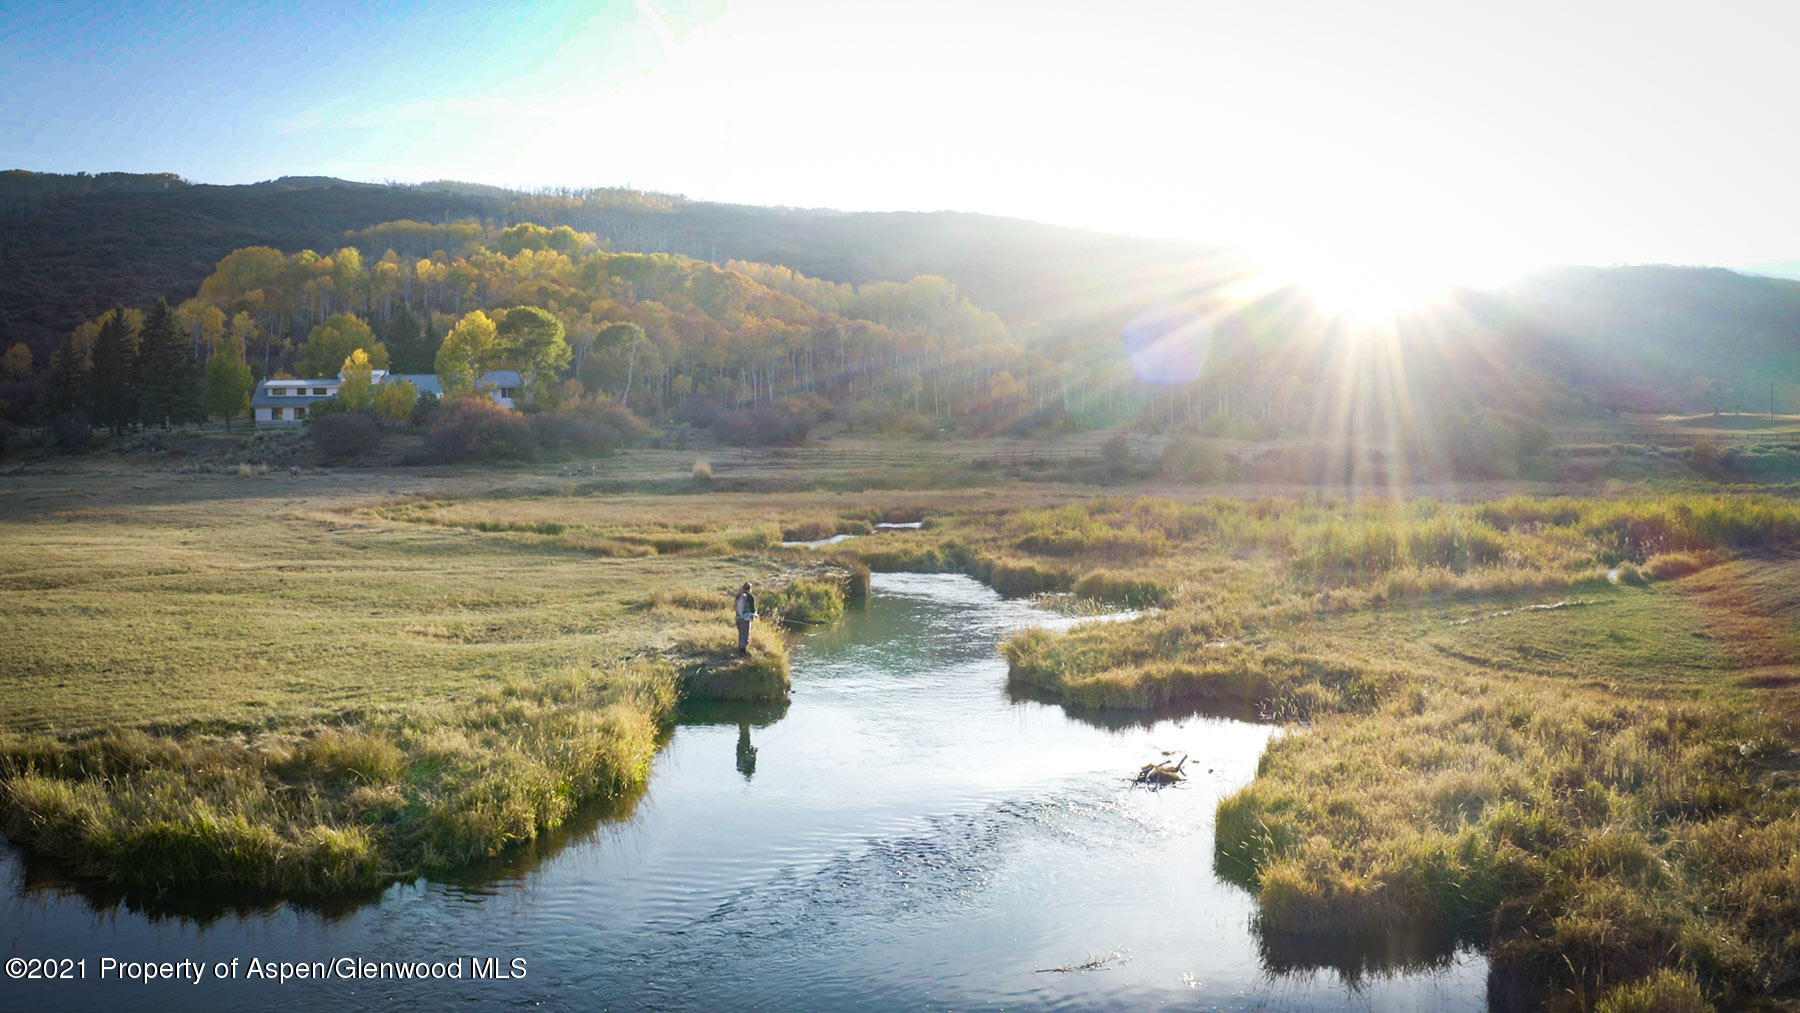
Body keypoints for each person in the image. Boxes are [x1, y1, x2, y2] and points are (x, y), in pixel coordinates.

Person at [734, 582, 757, 654]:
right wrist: (755, 614)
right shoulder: (750, 597)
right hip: (745, 619)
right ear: (750, 589)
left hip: (738, 618)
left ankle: (740, 649)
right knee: (746, 634)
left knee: (741, 634)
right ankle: (743, 651)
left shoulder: (738, 596)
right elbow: (752, 609)